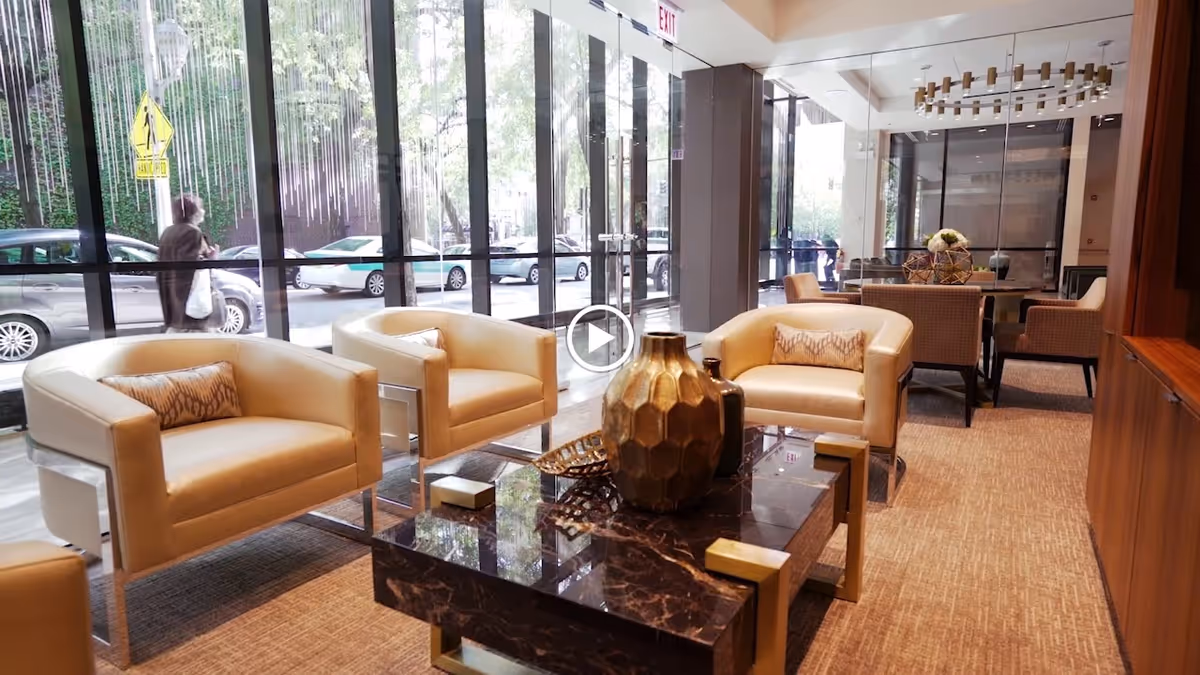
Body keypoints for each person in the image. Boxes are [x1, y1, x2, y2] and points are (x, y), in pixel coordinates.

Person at [157, 194, 225, 333]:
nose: (203, 211)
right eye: (201, 208)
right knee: (199, 342)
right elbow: (191, 267)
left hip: (174, 303)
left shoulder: (168, 232)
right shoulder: (192, 232)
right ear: (193, 212)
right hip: (190, 305)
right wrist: (211, 260)